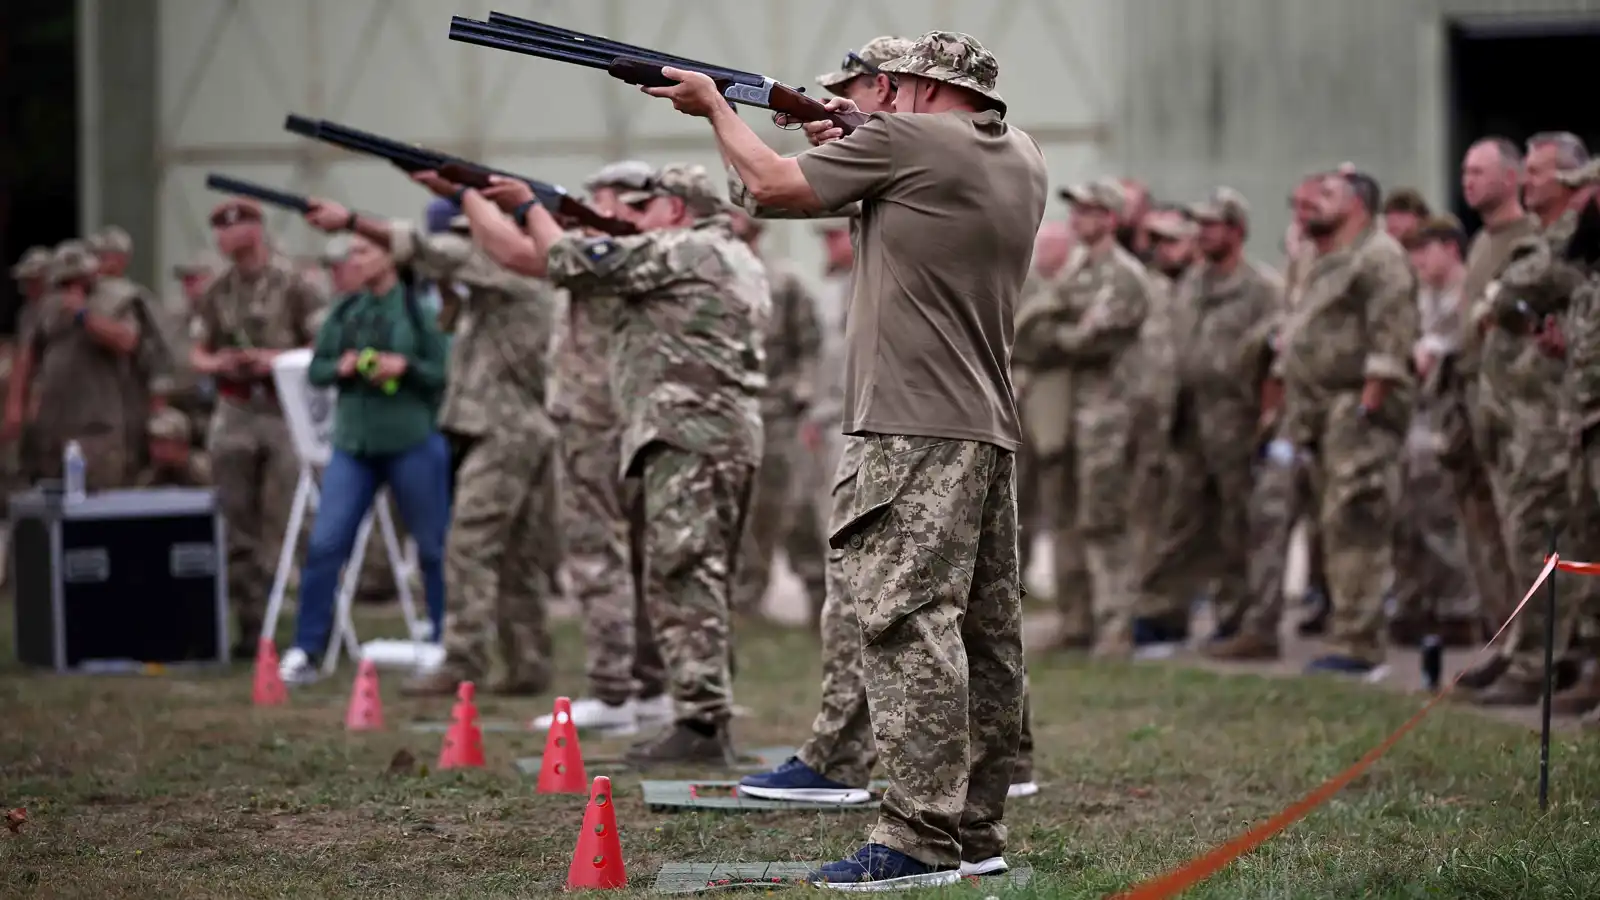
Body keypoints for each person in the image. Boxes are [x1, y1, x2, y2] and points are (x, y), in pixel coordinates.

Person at [645, 30, 1047, 888]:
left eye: (888, 87)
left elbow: (766, 188)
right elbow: (890, 203)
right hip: (981, 424)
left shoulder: (907, 140)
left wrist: (714, 108)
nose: (878, 98)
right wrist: (839, 135)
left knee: (907, 625)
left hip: (909, 425)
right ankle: (975, 832)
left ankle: (918, 839)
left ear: (919, 88)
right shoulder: (1019, 152)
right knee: (983, 635)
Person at [465, 163, 765, 764]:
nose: (635, 217)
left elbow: (567, 260)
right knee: (698, 576)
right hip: (718, 435)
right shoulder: (733, 255)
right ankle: (702, 713)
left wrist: (527, 206)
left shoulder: (683, 250)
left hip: (689, 436)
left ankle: (702, 722)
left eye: (646, 206)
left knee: (684, 576)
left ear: (675, 209)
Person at [271, 228, 450, 685]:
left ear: (391, 258)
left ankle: (445, 640)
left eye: (364, 252)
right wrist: (342, 366)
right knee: (326, 543)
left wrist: (405, 368)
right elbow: (316, 369)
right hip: (354, 446)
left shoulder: (419, 311)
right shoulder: (345, 310)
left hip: (412, 441)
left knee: (433, 546)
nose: (354, 261)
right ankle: (307, 648)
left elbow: (442, 373)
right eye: (352, 253)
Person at [534, 160, 672, 729]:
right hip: (633, 418)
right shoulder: (649, 249)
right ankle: (650, 685)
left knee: (596, 553)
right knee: (641, 554)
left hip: (596, 421)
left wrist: (523, 207)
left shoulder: (613, 253)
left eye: (602, 197)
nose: (592, 206)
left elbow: (532, 255)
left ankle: (613, 692)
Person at [1274, 170, 1418, 677]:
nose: (1315, 203)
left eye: (1328, 195)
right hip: (1324, 415)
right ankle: (1347, 631)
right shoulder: (1329, 257)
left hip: (1357, 412)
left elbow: (1391, 338)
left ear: (1357, 204)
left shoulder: (1379, 256)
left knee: (1357, 523)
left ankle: (1361, 645)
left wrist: (1366, 409)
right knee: (1335, 526)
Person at [1017, 178, 1152, 658]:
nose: (1080, 219)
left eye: (1091, 211)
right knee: (1064, 519)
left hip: (1106, 416)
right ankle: (1075, 621)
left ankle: (1115, 626)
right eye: (1076, 211)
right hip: (1063, 415)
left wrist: (1046, 332)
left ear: (1112, 219)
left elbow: (1085, 338)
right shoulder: (1075, 269)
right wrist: (1047, 328)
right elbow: (1034, 323)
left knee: (1104, 521)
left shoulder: (1124, 276)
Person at [190, 198, 327, 656]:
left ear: (255, 229)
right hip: (236, 410)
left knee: (293, 519)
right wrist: (221, 362)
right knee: (237, 521)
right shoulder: (217, 290)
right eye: (219, 228)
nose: (225, 236)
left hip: (284, 408)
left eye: (234, 226)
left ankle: (317, 628)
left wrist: (275, 360)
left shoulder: (295, 284)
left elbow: (322, 343)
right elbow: (197, 351)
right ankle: (252, 627)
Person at [728, 208, 826, 620]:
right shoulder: (717, 280)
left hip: (777, 414)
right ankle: (746, 598)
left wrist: (801, 395)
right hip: (730, 413)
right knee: (741, 509)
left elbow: (810, 348)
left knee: (790, 504)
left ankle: (818, 589)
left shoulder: (784, 283)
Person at [2, 241, 152, 490]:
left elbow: (126, 341)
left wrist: (83, 314)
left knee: (98, 495)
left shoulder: (114, 299)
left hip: (98, 426)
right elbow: (27, 354)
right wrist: (15, 405)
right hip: (54, 424)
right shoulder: (46, 306)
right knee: (50, 493)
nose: (69, 289)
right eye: (63, 283)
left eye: (77, 281)